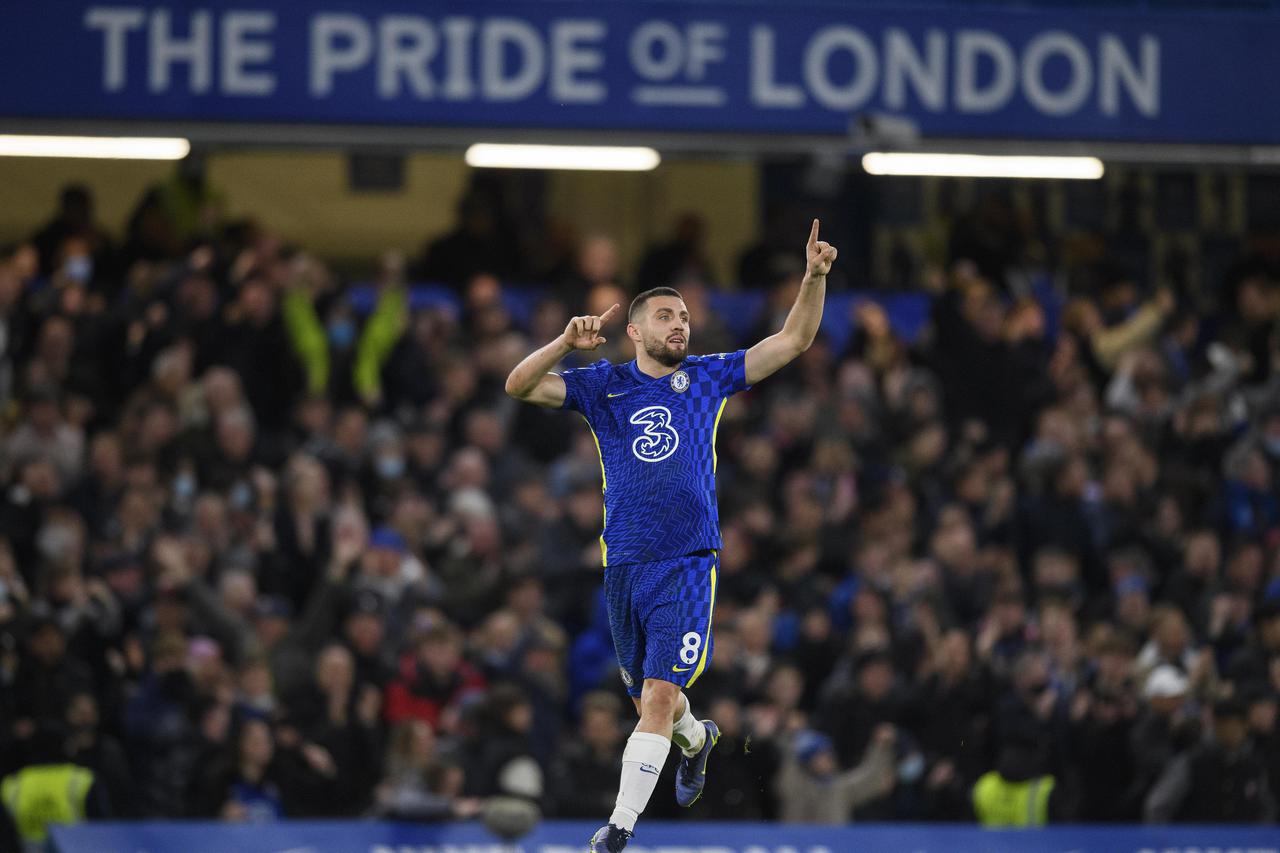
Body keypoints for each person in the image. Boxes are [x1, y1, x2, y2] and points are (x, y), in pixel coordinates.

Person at [505, 220, 838, 851]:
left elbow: (794, 340)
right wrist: (561, 343)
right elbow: (518, 386)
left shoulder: (708, 377)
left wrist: (813, 278)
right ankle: (698, 739)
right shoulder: (603, 385)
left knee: (659, 695)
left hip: (685, 563)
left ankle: (617, 830)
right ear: (635, 331)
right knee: (656, 710)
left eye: (683, 315)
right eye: (665, 316)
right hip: (624, 563)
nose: (679, 324)